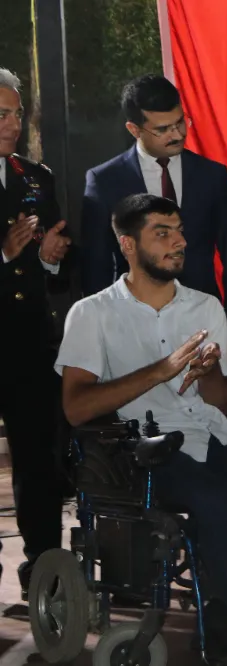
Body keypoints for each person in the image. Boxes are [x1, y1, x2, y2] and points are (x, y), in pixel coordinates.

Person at [55, 193, 227, 659]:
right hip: (138, 445)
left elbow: (221, 402)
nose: (179, 242)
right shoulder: (92, 313)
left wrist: (207, 374)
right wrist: (159, 371)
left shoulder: (205, 306)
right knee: (213, 498)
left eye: (180, 231)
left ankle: (226, 613)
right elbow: (76, 408)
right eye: (162, 233)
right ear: (128, 244)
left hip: (207, 430)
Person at [80, 74, 227, 362]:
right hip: (132, 327)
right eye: (163, 129)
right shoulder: (105, 181)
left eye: (180, 122)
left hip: (202, 323)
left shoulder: (213, 176)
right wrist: (102, 334)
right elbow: (96, 266)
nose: (177, 134)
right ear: (134, 129)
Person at [0, 67, 72, 594]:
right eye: (2, 114)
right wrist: (3, 255)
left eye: (16, 114)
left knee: (38, 458)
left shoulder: (35, 177)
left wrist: (50, 258)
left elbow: (59, 271)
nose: (13, 124)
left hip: (27, 339)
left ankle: (44, 570)